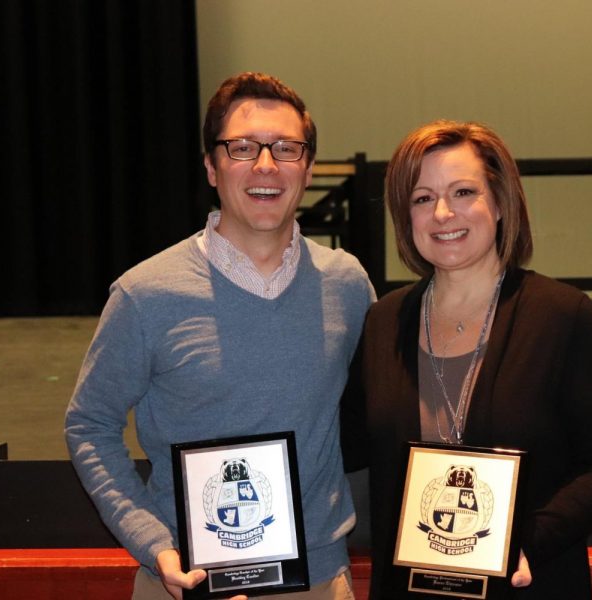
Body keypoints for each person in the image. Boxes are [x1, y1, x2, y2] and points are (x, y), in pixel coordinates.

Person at [65, 72, 375, 600]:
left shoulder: (347, 286)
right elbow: (90, 425)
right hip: (186, 581)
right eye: (242, 148)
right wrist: (153, 543)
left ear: (308, 167)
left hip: (319, 581)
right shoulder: (146, 294)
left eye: (286, 148)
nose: (265, 165)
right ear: (211, 167)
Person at [341, 120, 592, 598]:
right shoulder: (384, 323)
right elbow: (348, 445)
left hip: (526, 582)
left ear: (499, 202)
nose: (442, 213)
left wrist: (530, 543)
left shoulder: (562, 315)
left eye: (463, 192)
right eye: (421, 198)